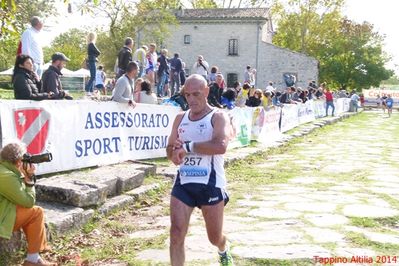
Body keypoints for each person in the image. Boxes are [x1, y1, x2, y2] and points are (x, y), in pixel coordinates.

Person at [166, 74, 234, 266]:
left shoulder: (219, 116)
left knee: (214, 237)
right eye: (187, 95)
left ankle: (223, 248)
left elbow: (220, 146)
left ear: (206, 91)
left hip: (210, 184)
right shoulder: (180, 118)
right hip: (184, 183)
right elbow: (170, 149)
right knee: (176, 233)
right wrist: (175, 153)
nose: (191, 99)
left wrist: (187, 147)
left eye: (196, 94)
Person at [0, 142, 54, 266]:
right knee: (36, 212)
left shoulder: (4, 169)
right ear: (19, 161)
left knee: (29, 211)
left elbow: (18, 198)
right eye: (23, 159)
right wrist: (29, 178)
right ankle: (33, 260)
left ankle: (36, 256)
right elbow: (28, 201)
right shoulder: (6, 175)